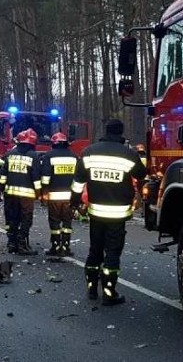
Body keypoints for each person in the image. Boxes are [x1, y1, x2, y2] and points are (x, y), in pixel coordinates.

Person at [71, 119, 147, 306]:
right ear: (121, 133)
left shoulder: (88, 153)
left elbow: (78, 182)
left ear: (105, 131)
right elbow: (141, 175)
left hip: (96, 211)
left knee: (94, 250)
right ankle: (109, 292)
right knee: (112, 253)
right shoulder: (128, 155)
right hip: (118, 214)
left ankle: (91, 288)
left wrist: (75, 204)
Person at [0, 128, 42, 255]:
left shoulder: (10, 154)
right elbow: (36, 177)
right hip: (26, 196)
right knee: (25, 219)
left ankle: (12, 243)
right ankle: (22, 244)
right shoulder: (33, 156)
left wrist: (0, 190)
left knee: (12, 218)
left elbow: (3, 175)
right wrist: (39, 194)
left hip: (10, 194)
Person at [41, 132, 77, 257]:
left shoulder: (49, 156)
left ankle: (55, 246)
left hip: (54, 196)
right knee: (67, 222)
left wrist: (44, 193)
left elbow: (45, 177)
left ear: (53, 144)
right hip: (70, 196)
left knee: (55, 221)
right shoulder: (73, 157)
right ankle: (66, 247)